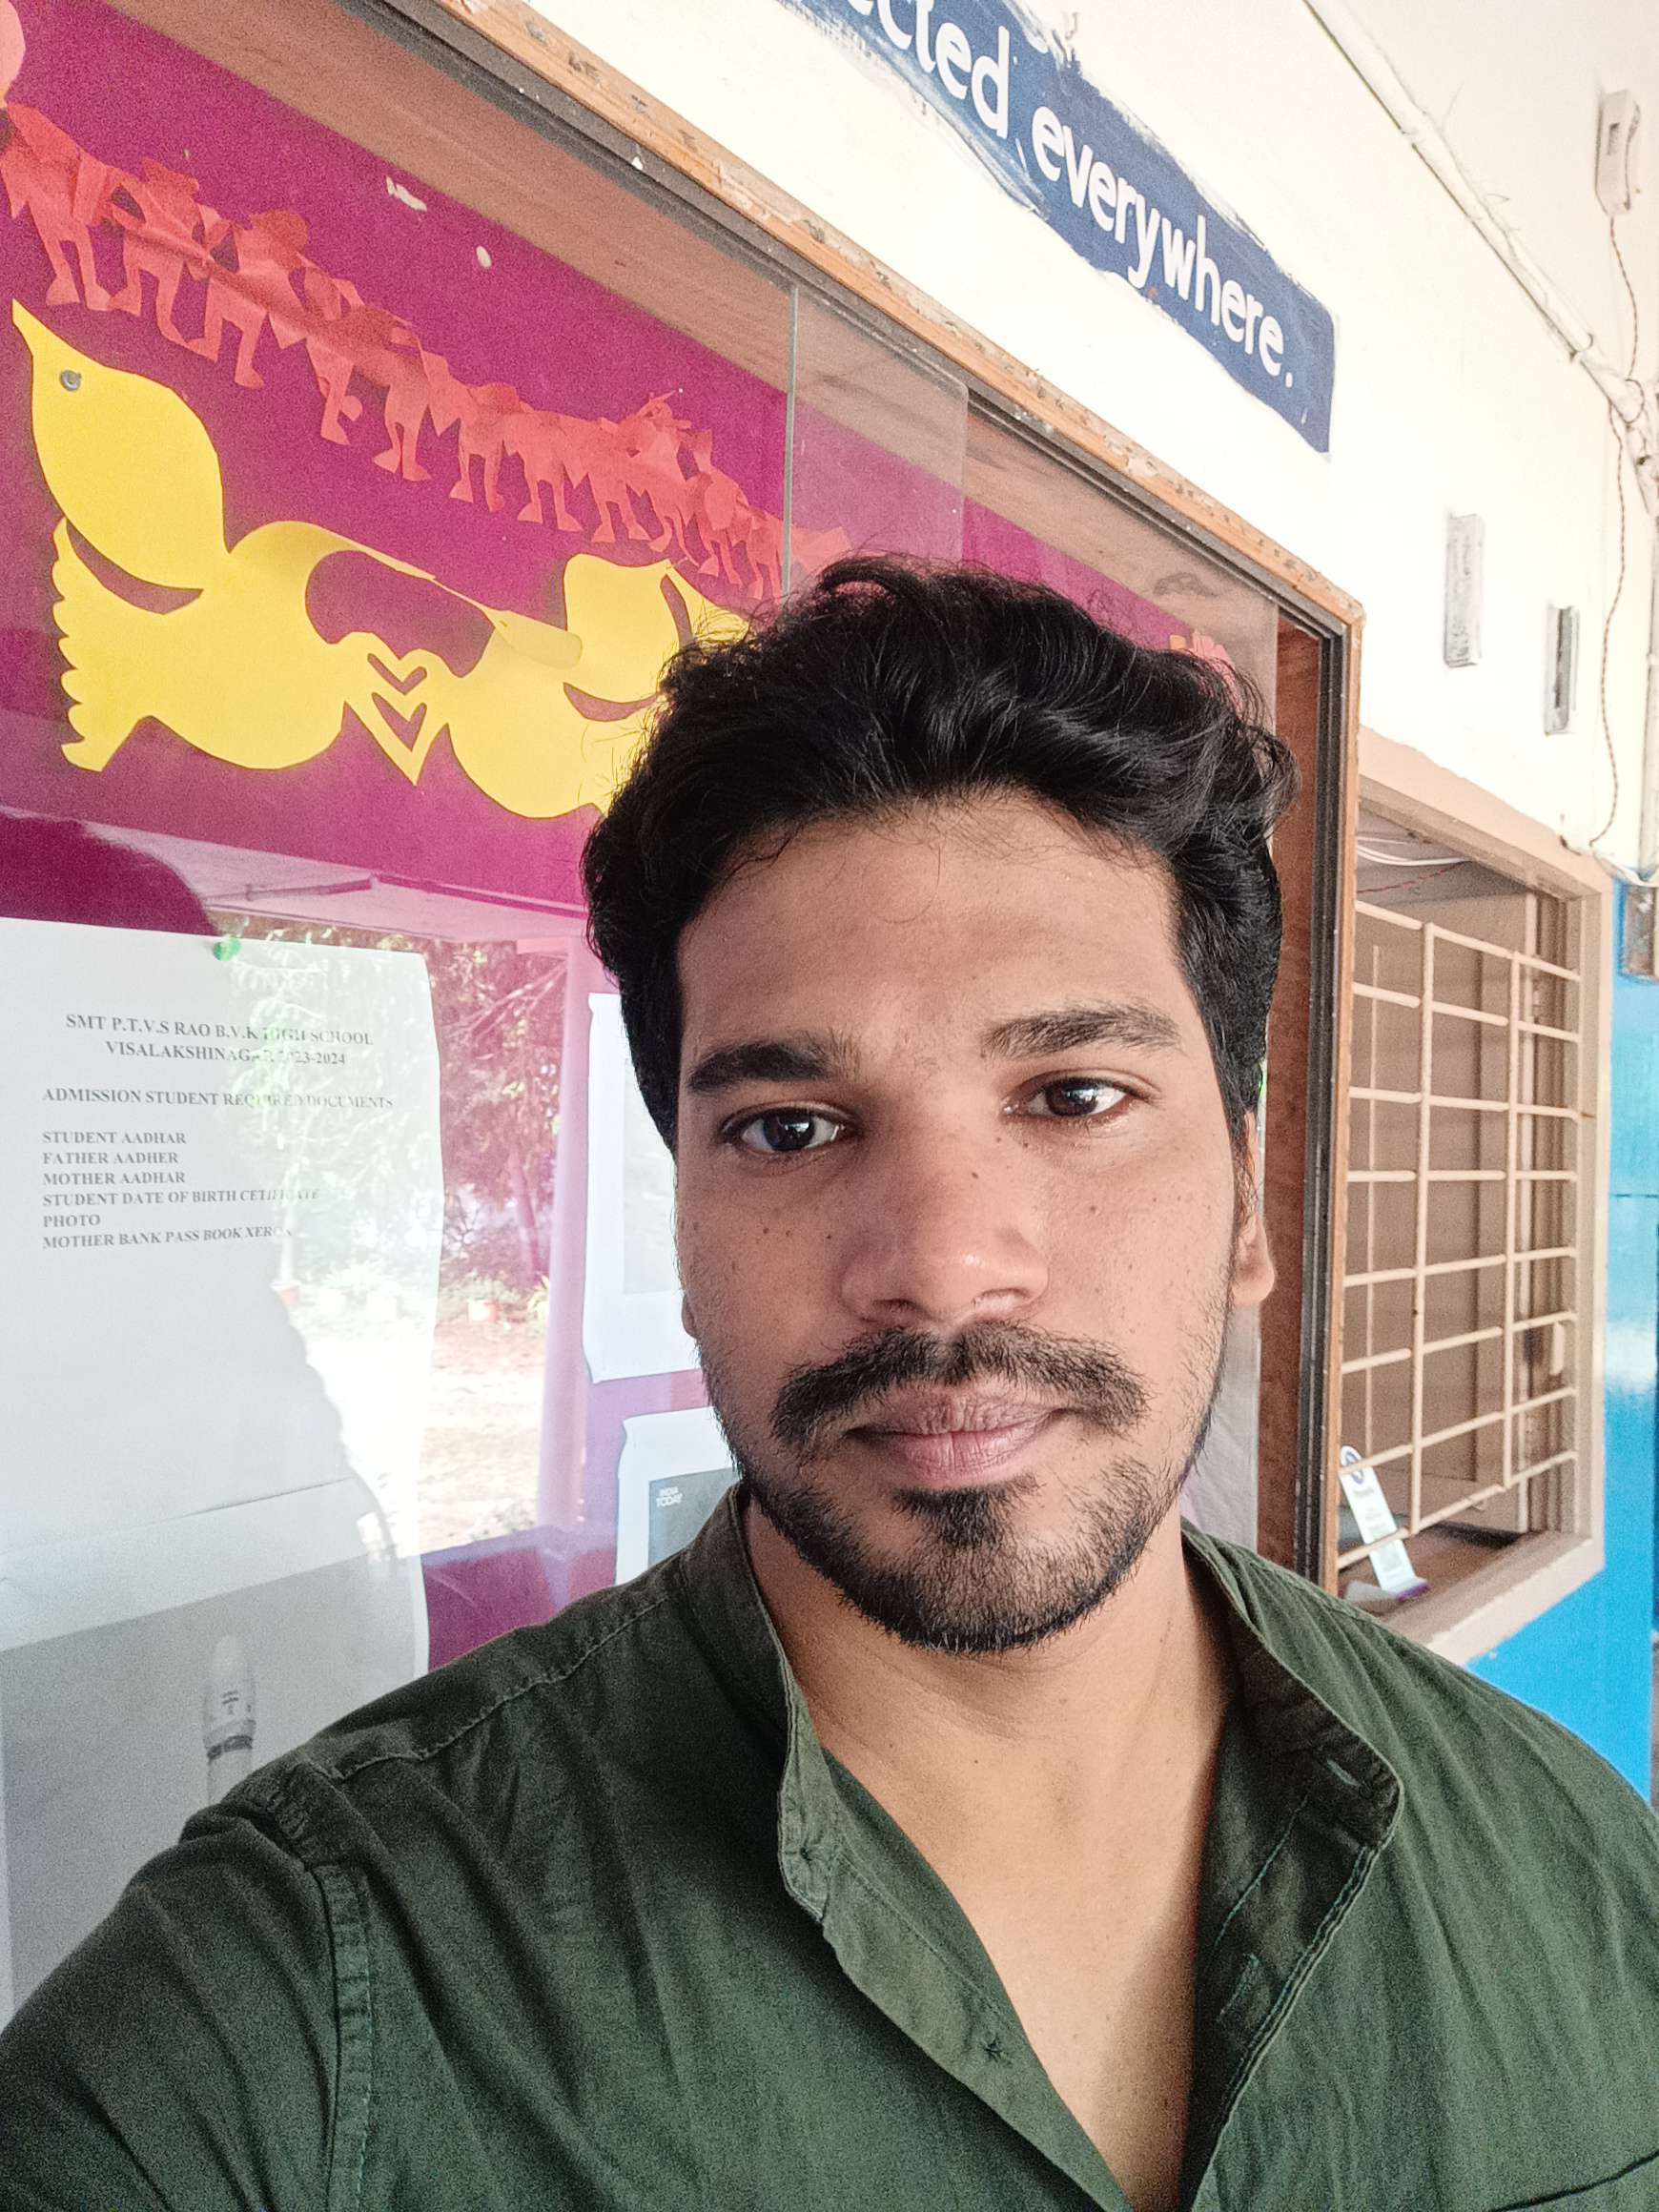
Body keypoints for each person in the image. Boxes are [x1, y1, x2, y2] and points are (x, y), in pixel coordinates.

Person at [3, 562, 1657, 2212]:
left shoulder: (1580, 1875)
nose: (939, 1265)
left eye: (1073, 1096)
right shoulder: (295, 2017)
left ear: (1246, 1203)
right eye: (789, 1128)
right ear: (684, 1223)